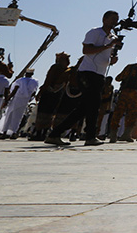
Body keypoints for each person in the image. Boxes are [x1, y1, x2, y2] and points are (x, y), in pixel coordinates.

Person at [45, 11, 120, 146]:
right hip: (87, 73)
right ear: (104, 19)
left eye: (116, 19)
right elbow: (86, 51)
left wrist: (112, 60)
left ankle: (55, 134)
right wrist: (108, 46)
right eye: (112, 19)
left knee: (85, 108)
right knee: (93, 105)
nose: (115, 22)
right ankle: (90, 137)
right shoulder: (95, 32)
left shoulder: (113, 37)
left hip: (99, 74)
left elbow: (104, 56)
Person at [109, 52, 137, 142]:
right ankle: (126, 134)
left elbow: (118, 78)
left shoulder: (129, 67)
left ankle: (113, 135)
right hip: (135, 95)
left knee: (118, 113)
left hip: (124, 93)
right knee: (133, 114)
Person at [0, 69, 39, 138]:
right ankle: (14, 133)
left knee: (9, 115)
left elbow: (14, 90)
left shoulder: (20, 80)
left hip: (16, 99)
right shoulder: (35, 81)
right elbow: (34, 92)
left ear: (25, 74)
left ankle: (4, 132)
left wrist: (7, 99)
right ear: (32, 74)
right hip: (24, 101)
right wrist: (29, 99)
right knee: (18, 117)